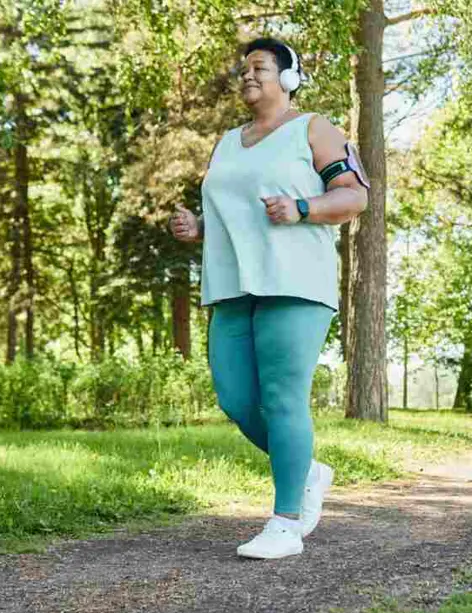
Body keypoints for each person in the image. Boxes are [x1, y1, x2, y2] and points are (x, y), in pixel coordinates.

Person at [169, 37, 369, 560]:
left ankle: (285, 524)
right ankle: (306, 471)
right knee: (235, 399)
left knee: (282, 397)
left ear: (289, 77)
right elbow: (233, 212)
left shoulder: (314, 128)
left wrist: (302, 207)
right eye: (244, 69)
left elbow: (355, 195)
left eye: (260, 67)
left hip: (295, 281)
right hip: (232, 285)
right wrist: (199, 225)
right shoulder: (228, 142)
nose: (248, 75)